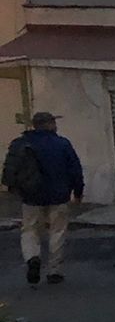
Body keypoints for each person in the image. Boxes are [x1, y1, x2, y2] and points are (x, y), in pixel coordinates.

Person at [1, 112, 84, 286]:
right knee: (57, 231)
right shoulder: (62, 144)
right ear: (49, 124)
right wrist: (78, 192)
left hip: (31, 196)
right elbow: (75, 169)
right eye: (53, 122)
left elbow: (10, 169)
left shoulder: (20, 143)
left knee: (30, 230)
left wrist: (14, 189)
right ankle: (54, 270)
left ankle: (32, 257)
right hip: (58, 195)